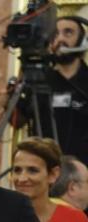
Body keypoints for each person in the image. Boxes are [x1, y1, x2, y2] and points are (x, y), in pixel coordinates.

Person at [49, 15, 88, 166]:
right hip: (46, 170)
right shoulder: (40, 80)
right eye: (55, 34)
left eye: (68, 33)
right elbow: (18, 121)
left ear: (83, 41)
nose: (60, 39)